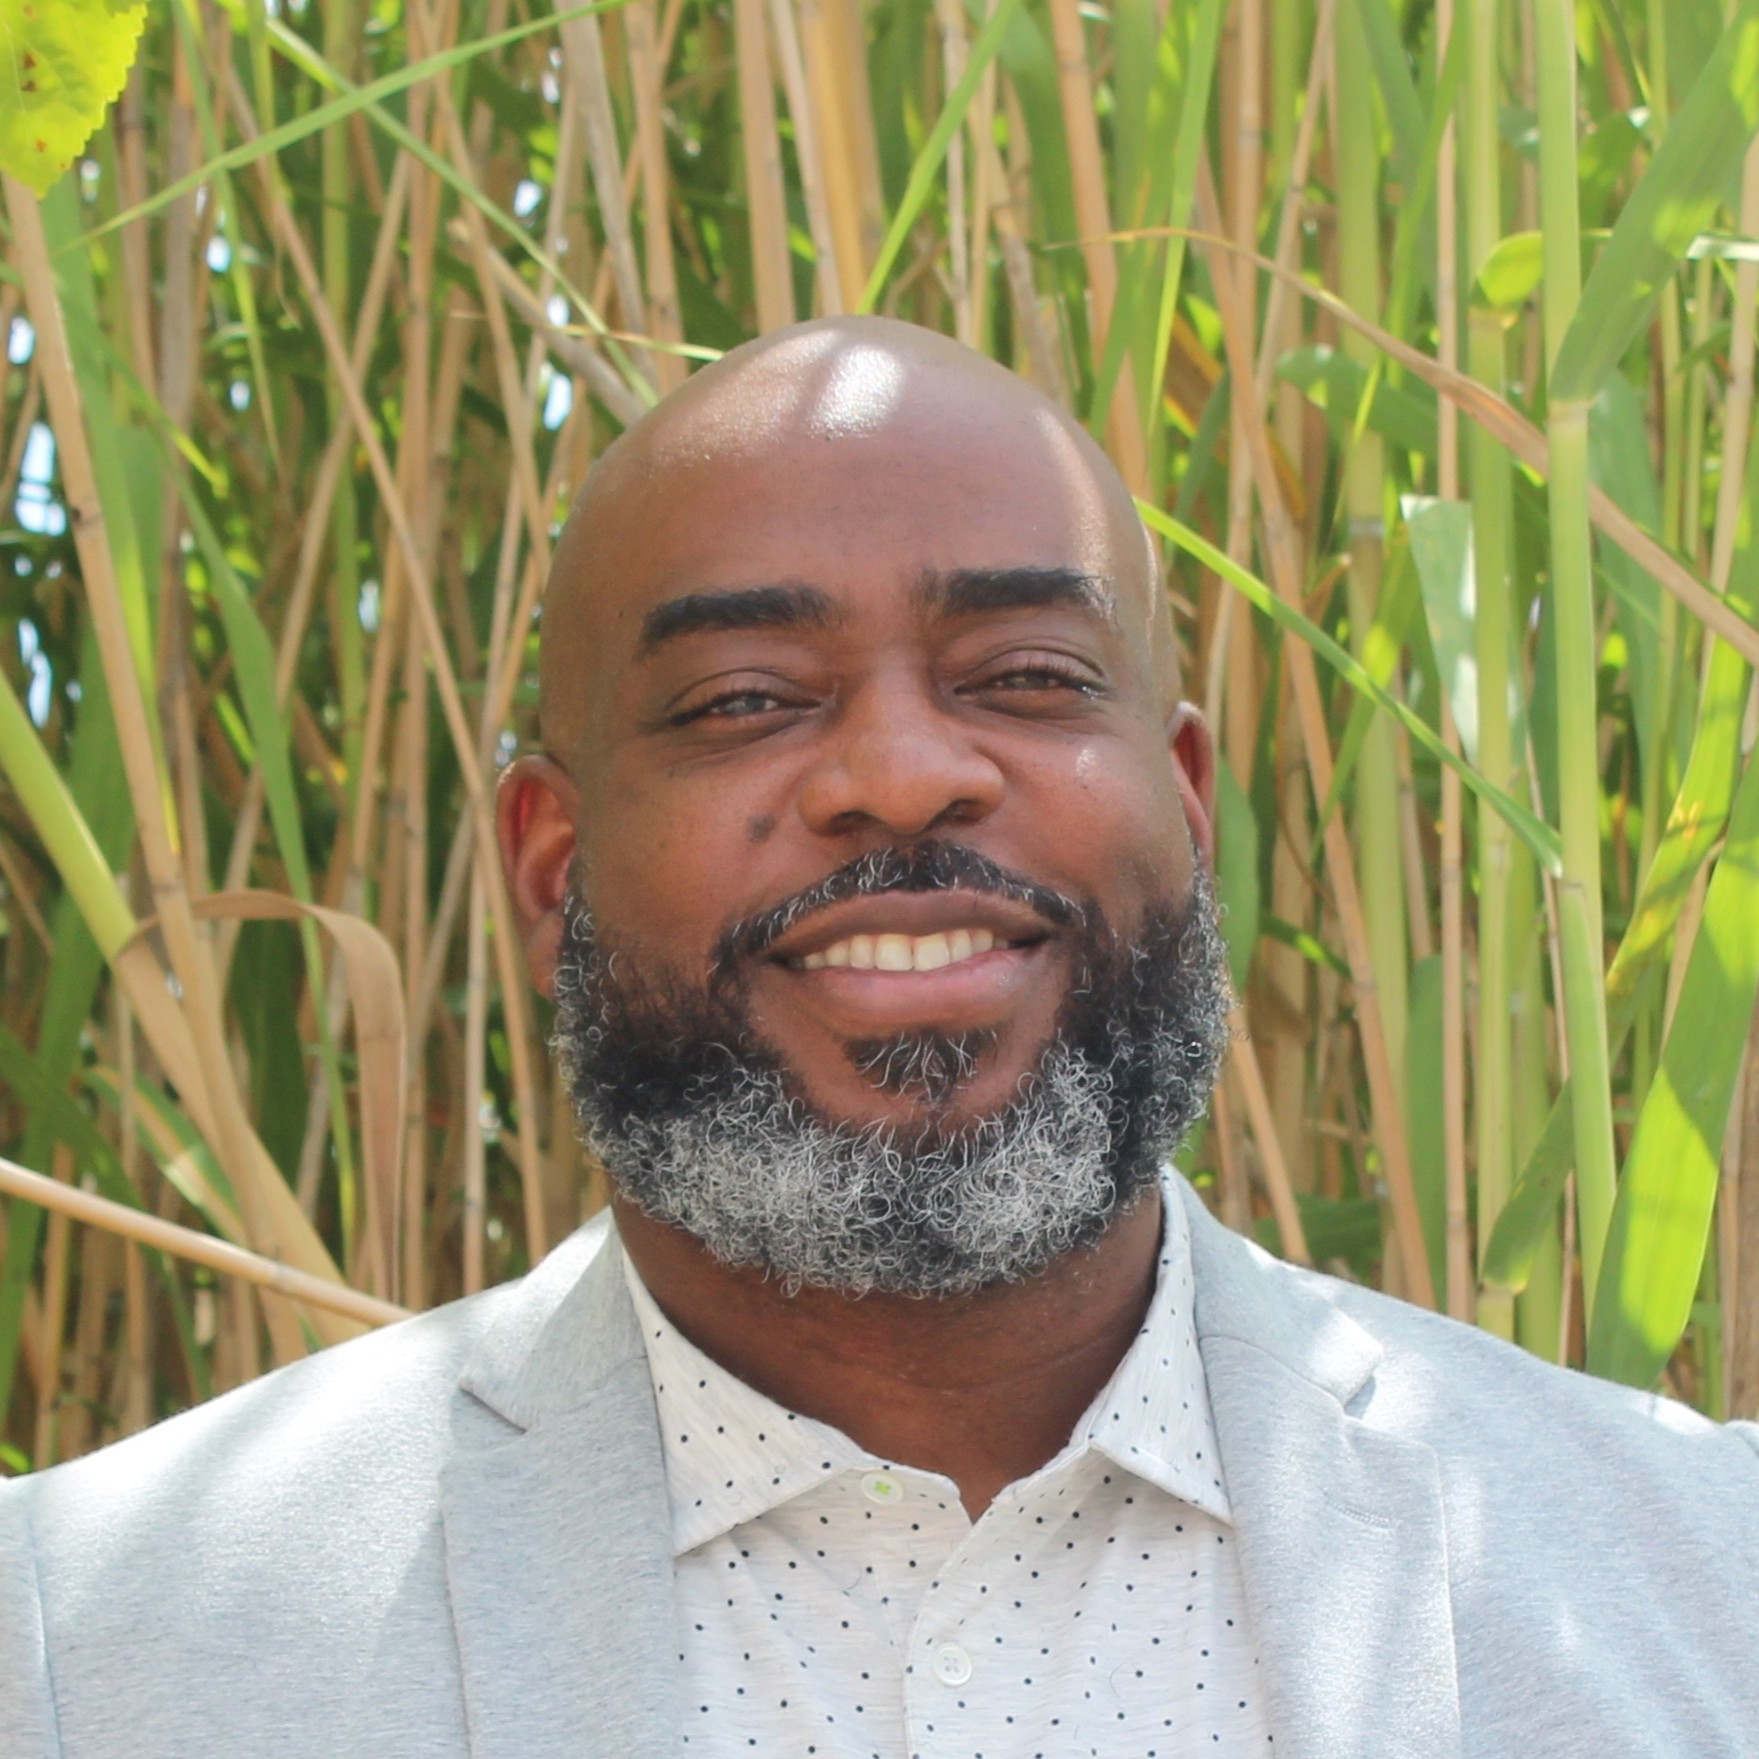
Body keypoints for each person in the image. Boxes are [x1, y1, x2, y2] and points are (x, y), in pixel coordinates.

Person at [1, 318, 1754, 1759]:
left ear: (1188, 804)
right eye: (744, 700)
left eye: (1029, 677)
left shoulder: (1704, 1581)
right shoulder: (91, 1647)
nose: (907, 774)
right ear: (552, 864)